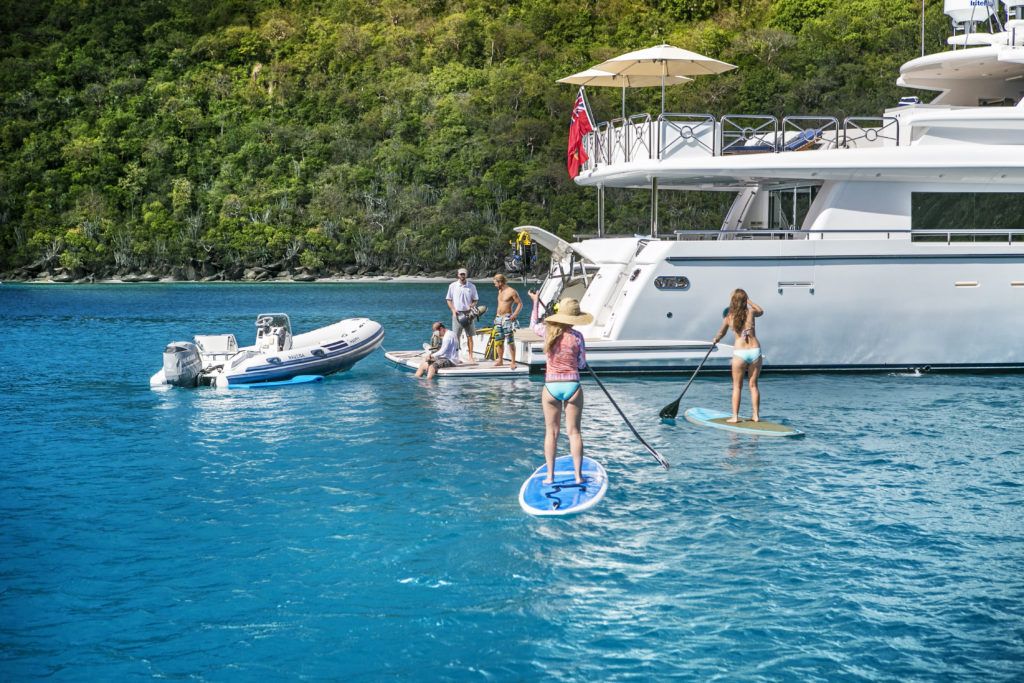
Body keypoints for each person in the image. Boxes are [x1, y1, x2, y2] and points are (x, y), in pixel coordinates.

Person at [528, 290, 592, 484]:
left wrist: (535, 302)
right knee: (574, 432)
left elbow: (533, 324)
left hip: (551, 388)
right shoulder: (578, 337)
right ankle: (578, 476)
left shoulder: (547, 332)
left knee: (551, 433)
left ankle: (550, 476)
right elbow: (581, 364)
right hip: (573, 386)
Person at [712, 289, 764, 423]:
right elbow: (761, 310)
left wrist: (716, 339)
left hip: (740, 353)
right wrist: (749, 301)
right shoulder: (751, 312)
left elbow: (722, 333)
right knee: (753, 386)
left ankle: (735, 417)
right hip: (755, 351)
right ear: (744, 300)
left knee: (737, 386)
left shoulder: (729, 317)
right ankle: (756, 416)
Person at [490, 273, 523, 370]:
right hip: (498, 318)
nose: (494, 285)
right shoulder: (499, 291)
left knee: (510, 341)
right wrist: (496, 316)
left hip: (507, 318)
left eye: (495, 283)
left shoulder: (512, 291)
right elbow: (500, 304)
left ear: (500, 282)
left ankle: (513, 362)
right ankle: (500, 360)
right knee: (499, 341)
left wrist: (514, 315)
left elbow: (519, 304)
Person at [446, 267, 478, 359]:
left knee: (470, 336)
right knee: (456, 337)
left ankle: (471, 357)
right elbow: (448, 299)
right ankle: (456, 357)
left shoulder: (472, 286)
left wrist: (472, 306)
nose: (462, 276)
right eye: (461, 274)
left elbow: (475, 299)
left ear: (466, 275)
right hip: (457, 313)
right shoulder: (452, 286)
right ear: (458, 275)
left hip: (469, 314)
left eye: (464, 274)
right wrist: (453, 310)